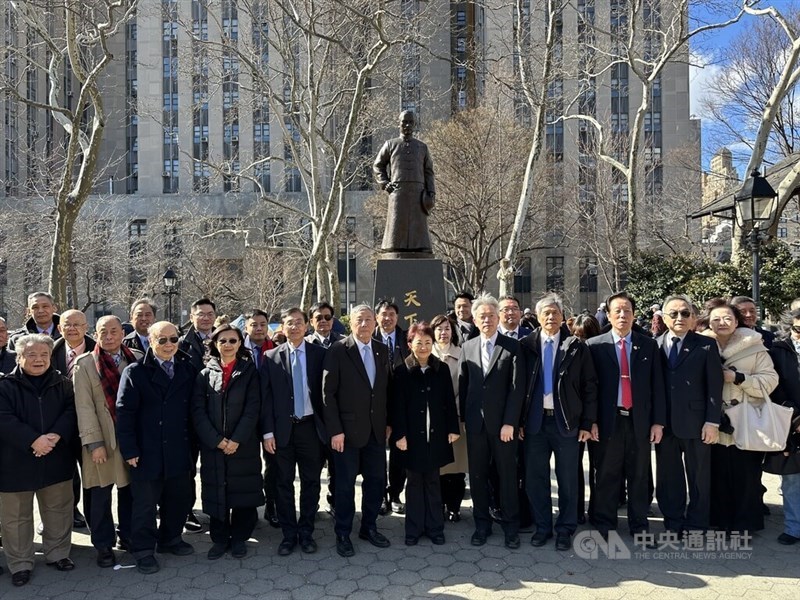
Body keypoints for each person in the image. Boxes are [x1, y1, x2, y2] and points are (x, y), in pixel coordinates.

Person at [116, 321, 197, 574]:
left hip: (179, 447)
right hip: (147, 449)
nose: (168, 345)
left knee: (178, 499)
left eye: (173, 339)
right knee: (145, 505)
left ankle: (170, 539)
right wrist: (129, 450)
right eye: (161, 340)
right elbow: (124, 413)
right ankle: (142, 549)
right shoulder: (135, 371)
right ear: (150, 342)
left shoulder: (187, 368)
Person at [520, 293, 597, 551]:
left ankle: (565, 528)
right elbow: (518, 387)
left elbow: (589, 387)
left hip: (566, 423)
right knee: (536, 478)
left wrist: (587, 423)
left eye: (555, 312)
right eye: (546, 313)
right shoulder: (526, 346)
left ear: (563, 317)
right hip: (535, 423)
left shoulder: (576, 346)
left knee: (567, 479)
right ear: (538, 317)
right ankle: (543, 526)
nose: (551, 317)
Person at [586, 292, 666, 540]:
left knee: (640, 473)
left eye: (627, 310)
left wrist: (658, 422)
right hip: (608, 421)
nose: (622, 315)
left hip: (638, 420)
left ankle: (639, 523)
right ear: (608, 315)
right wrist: (591, 421)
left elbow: (658, 386)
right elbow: (590, 388)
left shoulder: (648, 345)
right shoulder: (595, 346)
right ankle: (605, 522)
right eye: (617, 311)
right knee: (606, 472)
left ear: (634, 315)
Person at [0, 334, 77, 587]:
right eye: (31, 355)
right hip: (15, 461)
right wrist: (33, 440)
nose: (38, 359)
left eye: (44, 354)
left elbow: (71, 411)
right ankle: (20, 563)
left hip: (55, 457)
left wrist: (56, 435)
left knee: (58, 510)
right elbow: (4, 418)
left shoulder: (63, 383)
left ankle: (58, 554)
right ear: (19, 357)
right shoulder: (5, 386)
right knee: (16, 517)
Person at [700, 298, 778, 533]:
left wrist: (739, 378)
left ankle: (746, 524)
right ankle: (718, 521)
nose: (722, 322)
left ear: (736, 322)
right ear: (709, 322)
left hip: (745, 418)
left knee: (746, 475)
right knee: (716, 473)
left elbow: (770, 380)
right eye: (716, 319)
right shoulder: (701, 345)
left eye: (727, 318)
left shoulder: (754, 346)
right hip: (712, 420)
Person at [323, 304, 392, 557]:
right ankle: (343, 532)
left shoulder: (381, 350)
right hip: (346, 434)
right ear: (350, 323)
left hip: (375, 431)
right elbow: (327, 393)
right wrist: (335, 431)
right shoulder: (339, 350)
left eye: (368, 319)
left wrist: (388, 422)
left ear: (375, 322)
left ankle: (369, 526)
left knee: (375, 482)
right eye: (359, 320)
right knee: (344, 485)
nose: (364, 324)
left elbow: (385, 389)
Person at [73, 316, 141, 568]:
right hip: (102, 439)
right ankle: (103, 545)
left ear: (122, 333)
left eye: (114, 331)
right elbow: (84, 407)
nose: (109, 336)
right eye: (104, 332)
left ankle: (129, 536)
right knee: (99, 495)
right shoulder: (85, 364)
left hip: (131, 439)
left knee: (130, 491)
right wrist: (94, 443)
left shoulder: (135, 357)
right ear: (96, 334)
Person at [458, 293, 524, 549]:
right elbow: (465, 386)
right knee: (477, 476)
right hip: (476, 426)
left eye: (491, 315)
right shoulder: (468, 347)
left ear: (499, 318)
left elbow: (517, 389)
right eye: (481, 316)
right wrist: (464, 420)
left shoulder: (512, 347)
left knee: (507, 476)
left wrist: (511, 422)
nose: (487, 320)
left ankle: (511, 527)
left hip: (503, 427)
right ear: (474, 319)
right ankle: (482, 524)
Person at [192, 324, 263, 560]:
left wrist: (235, 440)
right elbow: (198, 412)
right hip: (214, 447)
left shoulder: (249, 371)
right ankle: (220, 539)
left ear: (240, 344)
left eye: (233, 340)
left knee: (243, 494)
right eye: (223, 341)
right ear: (215, 344)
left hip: (242, 445)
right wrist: (217, 440)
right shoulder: (204, 374)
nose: (228, 345)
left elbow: (253, 409)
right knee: (217, 493)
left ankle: (240, 538)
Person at [654, 295, 722, 534]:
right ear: (664, 318)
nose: (680, 318)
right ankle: (673, 521)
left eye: (685, 313)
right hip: (665, 424)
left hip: (697, 423)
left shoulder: (705, 345)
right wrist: (655, 421)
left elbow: (715, 386)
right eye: (674, 314)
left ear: (693, 318)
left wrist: (712, 421)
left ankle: (697, 523)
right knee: (668, 476)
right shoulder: (654, 344)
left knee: (699, 477)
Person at [262, 308, 327, 555]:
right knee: (283, 483)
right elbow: (266, 399)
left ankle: (307, 532)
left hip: (311, 429)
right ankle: (289, 534)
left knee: (311, 482)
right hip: (282, 431)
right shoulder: (270, 357)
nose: (295, 327)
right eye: (290, 323)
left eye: (299, 322)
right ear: (283, 327)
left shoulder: (320, 354)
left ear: (307, 325)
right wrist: (267, 433)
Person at [393, 322, 460, 546]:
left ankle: (434, 527)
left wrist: (453, 428)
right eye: (418, 342)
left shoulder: (441, 369)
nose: (423, 347)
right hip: (411, 437)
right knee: (413, 483)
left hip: (437, 434)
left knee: (433, 482)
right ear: (409, 344)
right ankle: (413, 529)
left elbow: (449, 402)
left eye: (428, 342)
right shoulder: (402, 371)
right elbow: (397, 407)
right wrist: (400, 435)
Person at [51, 308, 94, 530]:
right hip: (62, 425)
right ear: (59, 328)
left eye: (78, 324)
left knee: (93, 475)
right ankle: (71, 511)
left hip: (93, 425)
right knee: (67, 474)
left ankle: (94, 515)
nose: (73, 328)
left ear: (86, 327)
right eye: (68, 324)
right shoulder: (50, 352)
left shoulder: (99, 352)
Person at [373, 110, 436, 255]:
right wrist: (385, 183)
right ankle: (394, 245)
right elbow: (378, 165)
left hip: (418, 194)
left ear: (415, 125)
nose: (407, 125)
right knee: (396, 226)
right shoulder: (390, 144)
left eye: (410, 122)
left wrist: (431, 192)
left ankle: (420, 246)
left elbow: (429, 172)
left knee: (419, 228)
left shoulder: (422, 147)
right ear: (399, 124)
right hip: (398, 192)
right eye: (404, 122)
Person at [179, 298, 216, 532]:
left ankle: (216, 508)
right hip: (190, 416)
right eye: (200, 314)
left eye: (209, 313)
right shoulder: (182, 342)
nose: (205, 317)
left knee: (214, 466)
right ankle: (186, 511)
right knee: (188, 467)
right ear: (192, 317)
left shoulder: (223, 337)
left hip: (217, 414)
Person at [763, 308, 800, 544]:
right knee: (793, 478)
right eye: (798, 329)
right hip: (791, 422)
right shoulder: (779, 351)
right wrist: (796, 418)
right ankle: (794, 527)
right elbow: (774, 387)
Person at [305, 300, 342, 515]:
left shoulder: (343, 343)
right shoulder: (306, 344)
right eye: (318, 317)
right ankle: (311, 507)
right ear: (311, 321)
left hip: (337, 416)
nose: (323, 321)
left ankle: (335, 502)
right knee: (313, 467)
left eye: (327, 317)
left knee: (337, 466)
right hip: (312, 416)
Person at [242, 308, 278, 527]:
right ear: (246, 327)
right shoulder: (236, 348)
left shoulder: (275, 349)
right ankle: (248, 510)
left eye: (262, 324)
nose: (258, 328)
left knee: (273, 465)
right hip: (244, 417)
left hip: (270, 416)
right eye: (254, 325)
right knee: (248, 466)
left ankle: (272, 506)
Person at [373, 298, 409, 515]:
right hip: (374, 405)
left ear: (397, 317)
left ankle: (395, 494)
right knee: (377, 455)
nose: (387, 318)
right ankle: (380, 497)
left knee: (399, 453)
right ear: (377, 317)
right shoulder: (369, 337)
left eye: (391, 315)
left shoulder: (407, 338)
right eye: (383, 314)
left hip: (400, 405)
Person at [431, 314, 468, 522]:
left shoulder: (462, 354)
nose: (443, 333)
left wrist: (451, 412)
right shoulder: (425, 353)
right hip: (433, 422)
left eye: (447, 328)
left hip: (456, 419)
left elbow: (465, 389)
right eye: (439, 329)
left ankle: (454, 506)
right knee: (438, 469)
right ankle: (439, 505)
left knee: (456, 469)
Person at [569, 314, 602, 525]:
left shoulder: (602, 350)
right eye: (578, 337)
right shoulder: (572, 352)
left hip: (599, 416)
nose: (583, 342)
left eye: (586, 337)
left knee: (599, 466)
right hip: (576, 417)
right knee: (575, 465)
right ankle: (578, 509)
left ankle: (598, 509)